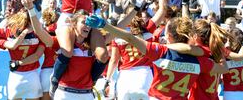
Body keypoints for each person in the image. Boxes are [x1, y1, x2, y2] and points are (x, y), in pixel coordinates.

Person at [49, 0, 137, 96]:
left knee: (103, 55)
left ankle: (92, 81)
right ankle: (55, 79)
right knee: (68, 51)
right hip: (68, 18)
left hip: (86, 19)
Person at [86, 16, 229, 99]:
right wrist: (218, 50)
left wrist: (105, 25)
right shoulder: (200, 60)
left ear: (168, 36)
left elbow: (129, 37)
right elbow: (223, 68)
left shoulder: (161, 52)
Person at [105, 0, 166, 100]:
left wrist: (107, 80)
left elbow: (114, 60)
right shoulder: (147, 29)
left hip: (125, 76)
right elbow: (162, 10)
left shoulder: (117, 34)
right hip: (144, 75)